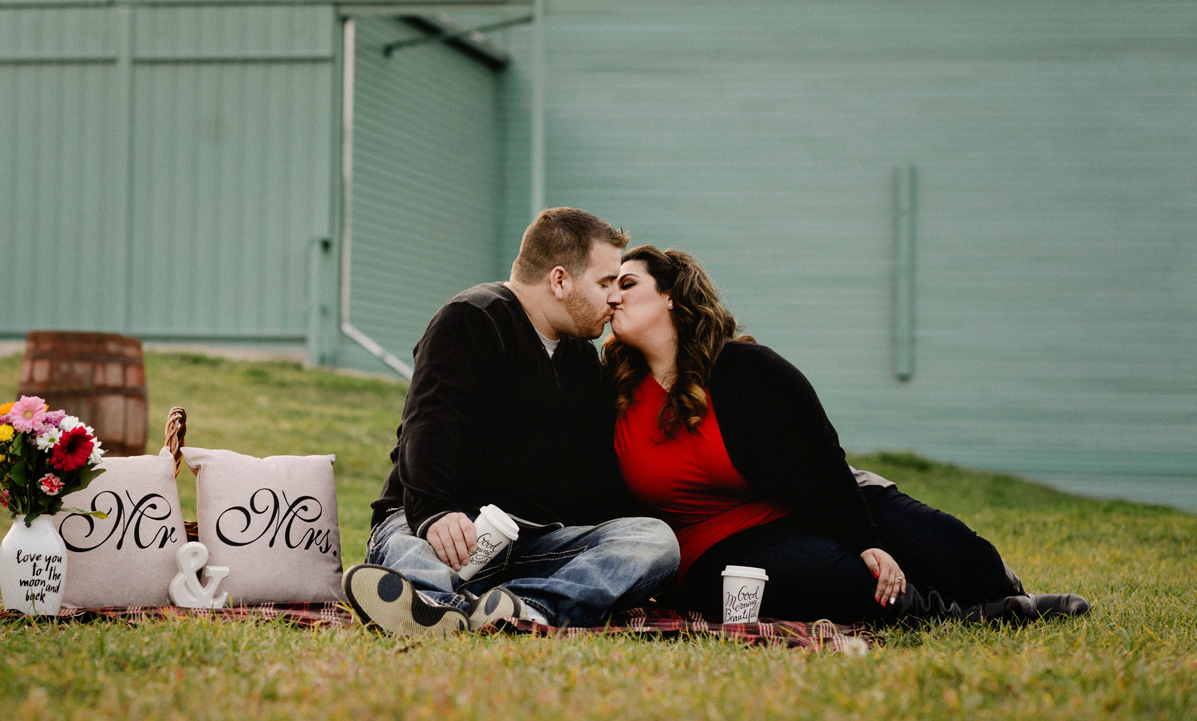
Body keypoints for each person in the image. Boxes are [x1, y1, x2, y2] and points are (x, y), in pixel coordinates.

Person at [606, 244, 1090, 625]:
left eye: (628, 283)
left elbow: (817, 456)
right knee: (853, 583)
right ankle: (960, 617)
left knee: (956, 551)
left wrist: (864, 538)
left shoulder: (742, 369)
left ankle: (1001, 589)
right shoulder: (611, 391)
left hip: (819, 499)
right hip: (718, 546)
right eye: (610, 287)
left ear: (670, 294)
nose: (613, 296)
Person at [343, 209, 681, 636]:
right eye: (604, 283)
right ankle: (433, 606)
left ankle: (526, 608)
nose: (615, 297)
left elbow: (596, 474)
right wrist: (435, 512)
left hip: (528, 545)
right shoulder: (472, 317)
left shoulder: (579, 357)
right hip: (438, 524)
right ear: (560, 281)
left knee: (654, 542)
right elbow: (428, 426)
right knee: (412, 552)